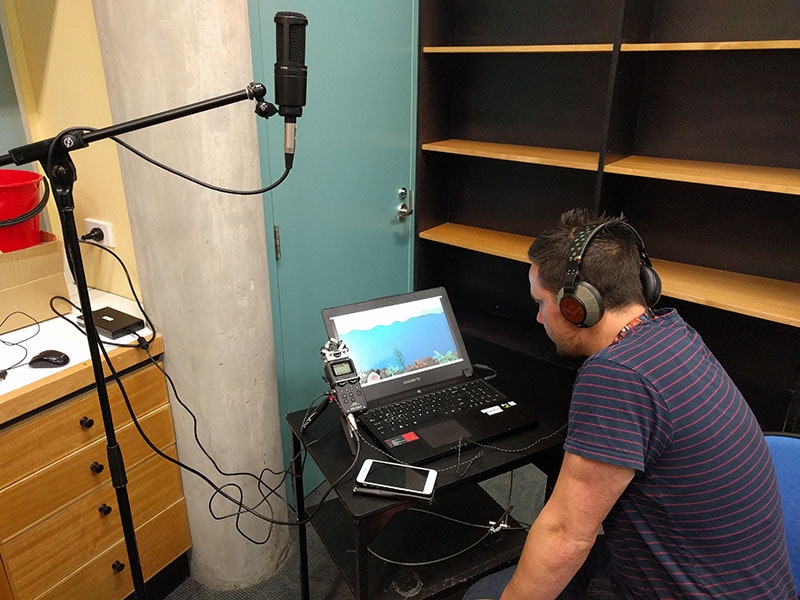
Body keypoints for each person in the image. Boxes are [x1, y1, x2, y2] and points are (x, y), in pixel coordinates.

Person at [464, 208, 796, 600]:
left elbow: (567, 534)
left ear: (577, 305)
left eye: (541, 302)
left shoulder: (617, 376)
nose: (538, 317)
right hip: (737, 581)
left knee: (486, 594)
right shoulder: (673, 332)